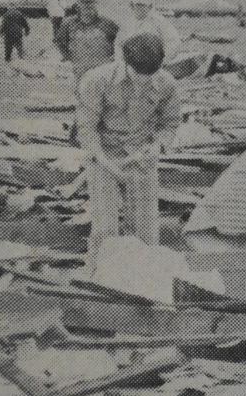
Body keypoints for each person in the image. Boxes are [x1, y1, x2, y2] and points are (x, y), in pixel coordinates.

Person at [76, 32, 181, 253]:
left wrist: (157, 147)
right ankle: (102, 278)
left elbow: (170, 123)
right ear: (125, 62)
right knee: (105, 234)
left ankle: (140, 282)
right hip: (104, 155)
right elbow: (86, 128)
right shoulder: (97, 80)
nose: (144, 82)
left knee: (146, 237)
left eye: (151, 75)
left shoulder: (167, 84)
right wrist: (105, 162)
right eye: (138, 75)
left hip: (141, 158)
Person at [55, 0, 120, 84]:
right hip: (80, 71)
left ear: (95, 4)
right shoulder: (69, 23)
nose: (87, 5)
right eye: (84, 2)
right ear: (78, 4)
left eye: (90, 2)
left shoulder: (107, 23)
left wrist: (112, 61)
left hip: (102, 72)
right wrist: (67, 57)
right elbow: (59, 41)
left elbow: (119, 42)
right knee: (82, 96)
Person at [117, 0, 183, 63]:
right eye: (137, 5)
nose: (139, 8)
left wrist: (163, 61)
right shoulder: (127, 23)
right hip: (132, 64)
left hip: (155, 63)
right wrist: (121, 63)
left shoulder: (159, 21)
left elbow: (173, 42)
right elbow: (119, 45)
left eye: (143, 5)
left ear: (150, 6)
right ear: (132, 6)